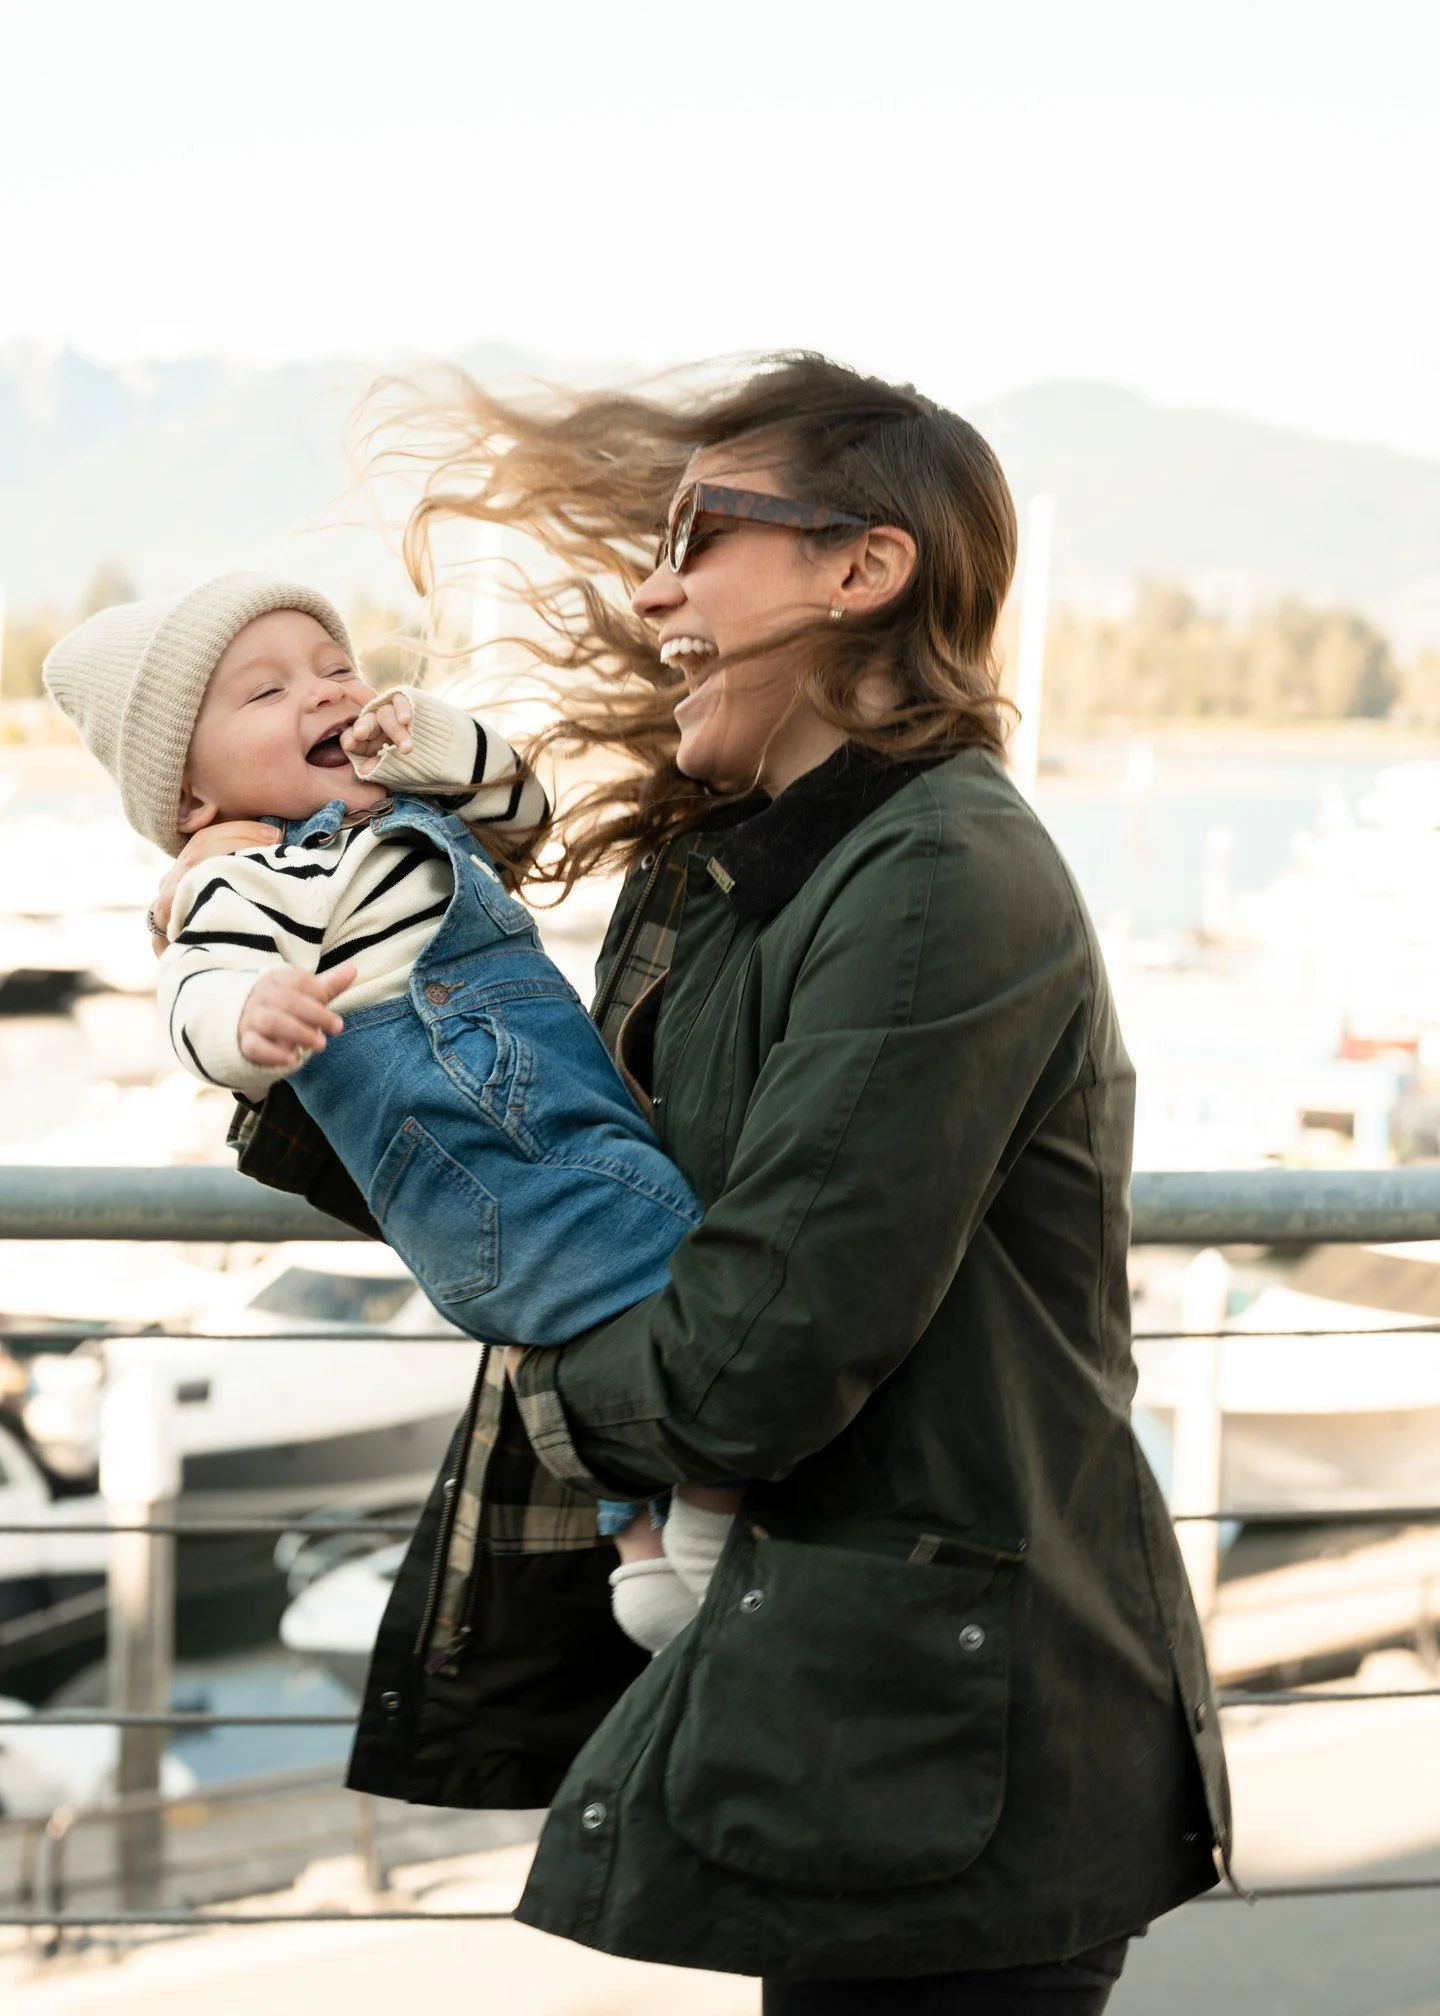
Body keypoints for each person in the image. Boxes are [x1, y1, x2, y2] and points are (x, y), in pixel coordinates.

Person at [153, 355, 1231, 2011]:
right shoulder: (735, 872)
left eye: (700, 537)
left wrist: (560, 1390)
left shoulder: (936, 875)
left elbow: (749, 1363)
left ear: (863, 570)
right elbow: (539, 1175)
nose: (651, 587)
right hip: (860, 1692)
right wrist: (276, 962)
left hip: (960, 1724)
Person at [42, 573, 733, 1655]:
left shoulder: (409, 813)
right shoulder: (247, 878)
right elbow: (195, 991)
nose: (323, 695)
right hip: (491, 1161)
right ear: (190, 801)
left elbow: (523, 805)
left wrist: (431, 735)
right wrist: (249, 1018)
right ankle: (710, 1516)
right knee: (688, 1274)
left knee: (620, 1306)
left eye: (335, 668)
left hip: (541, 1128)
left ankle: (640, 1542)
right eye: (265, 693)